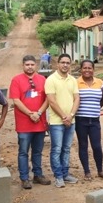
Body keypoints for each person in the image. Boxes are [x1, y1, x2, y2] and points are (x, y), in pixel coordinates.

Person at [8, 55, 51, 190]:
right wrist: (30, 114)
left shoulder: (43, 80)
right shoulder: (16, 80)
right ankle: (24, 178)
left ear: (36, 65)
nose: (30, 67)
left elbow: (48, 99)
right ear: (23, 65)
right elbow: (16, 100)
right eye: (27, 65)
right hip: (24, 124)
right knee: (23, 152)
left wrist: (39, 113)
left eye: (32, 64)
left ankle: (37, 175)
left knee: (37, 151)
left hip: (39, 122)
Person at [45, 54, 80, 188]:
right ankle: (58, 176)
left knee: (66, 149)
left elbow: (77, 99)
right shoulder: (51, 80)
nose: (65, 65)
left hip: (71, 121)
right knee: (57, 149)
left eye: (67, 63)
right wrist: (64, 117)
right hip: (56, 122)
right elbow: (52, 101)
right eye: (63, 62)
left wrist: (71, 115)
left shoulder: (73, 80)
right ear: (57, 64)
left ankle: (65, 174)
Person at [75, 60, 103, 180]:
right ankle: (87, 172)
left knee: (97, 146)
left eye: (89, 68)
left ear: (93, 69)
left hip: (95, 120)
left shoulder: (100, 83)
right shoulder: (76, 83)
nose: (87, 70)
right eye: (85, 68)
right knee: (83, 145)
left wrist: (95, 109)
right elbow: (74, 100)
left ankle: (100, 171)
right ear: (81, 69)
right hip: (80, 120)